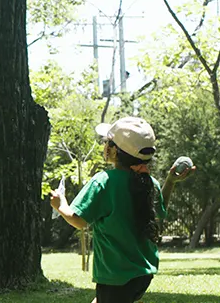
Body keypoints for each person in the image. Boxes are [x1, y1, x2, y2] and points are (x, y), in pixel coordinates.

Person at [50, 117, 194, 303]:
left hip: (115, 276)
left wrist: (60, 204)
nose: (104, 145)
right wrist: (170, 182)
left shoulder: (104, 181)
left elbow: (78, 220)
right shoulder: (150, 183)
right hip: (143, 274)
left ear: (114, 151)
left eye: (106, 142)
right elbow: (160, 211)